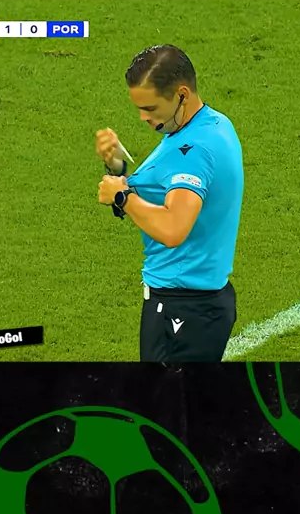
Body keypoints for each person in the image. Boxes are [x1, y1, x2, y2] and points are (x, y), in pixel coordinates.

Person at [96, 44, 244, 362]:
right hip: (198, 302)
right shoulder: (214, 124)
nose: (143, 117)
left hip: (181, 307)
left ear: (181, 95)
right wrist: (119, 169)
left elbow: (173, 228)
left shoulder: (193, 151)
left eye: (150, 108)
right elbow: (167, 191)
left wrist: (121, 196)